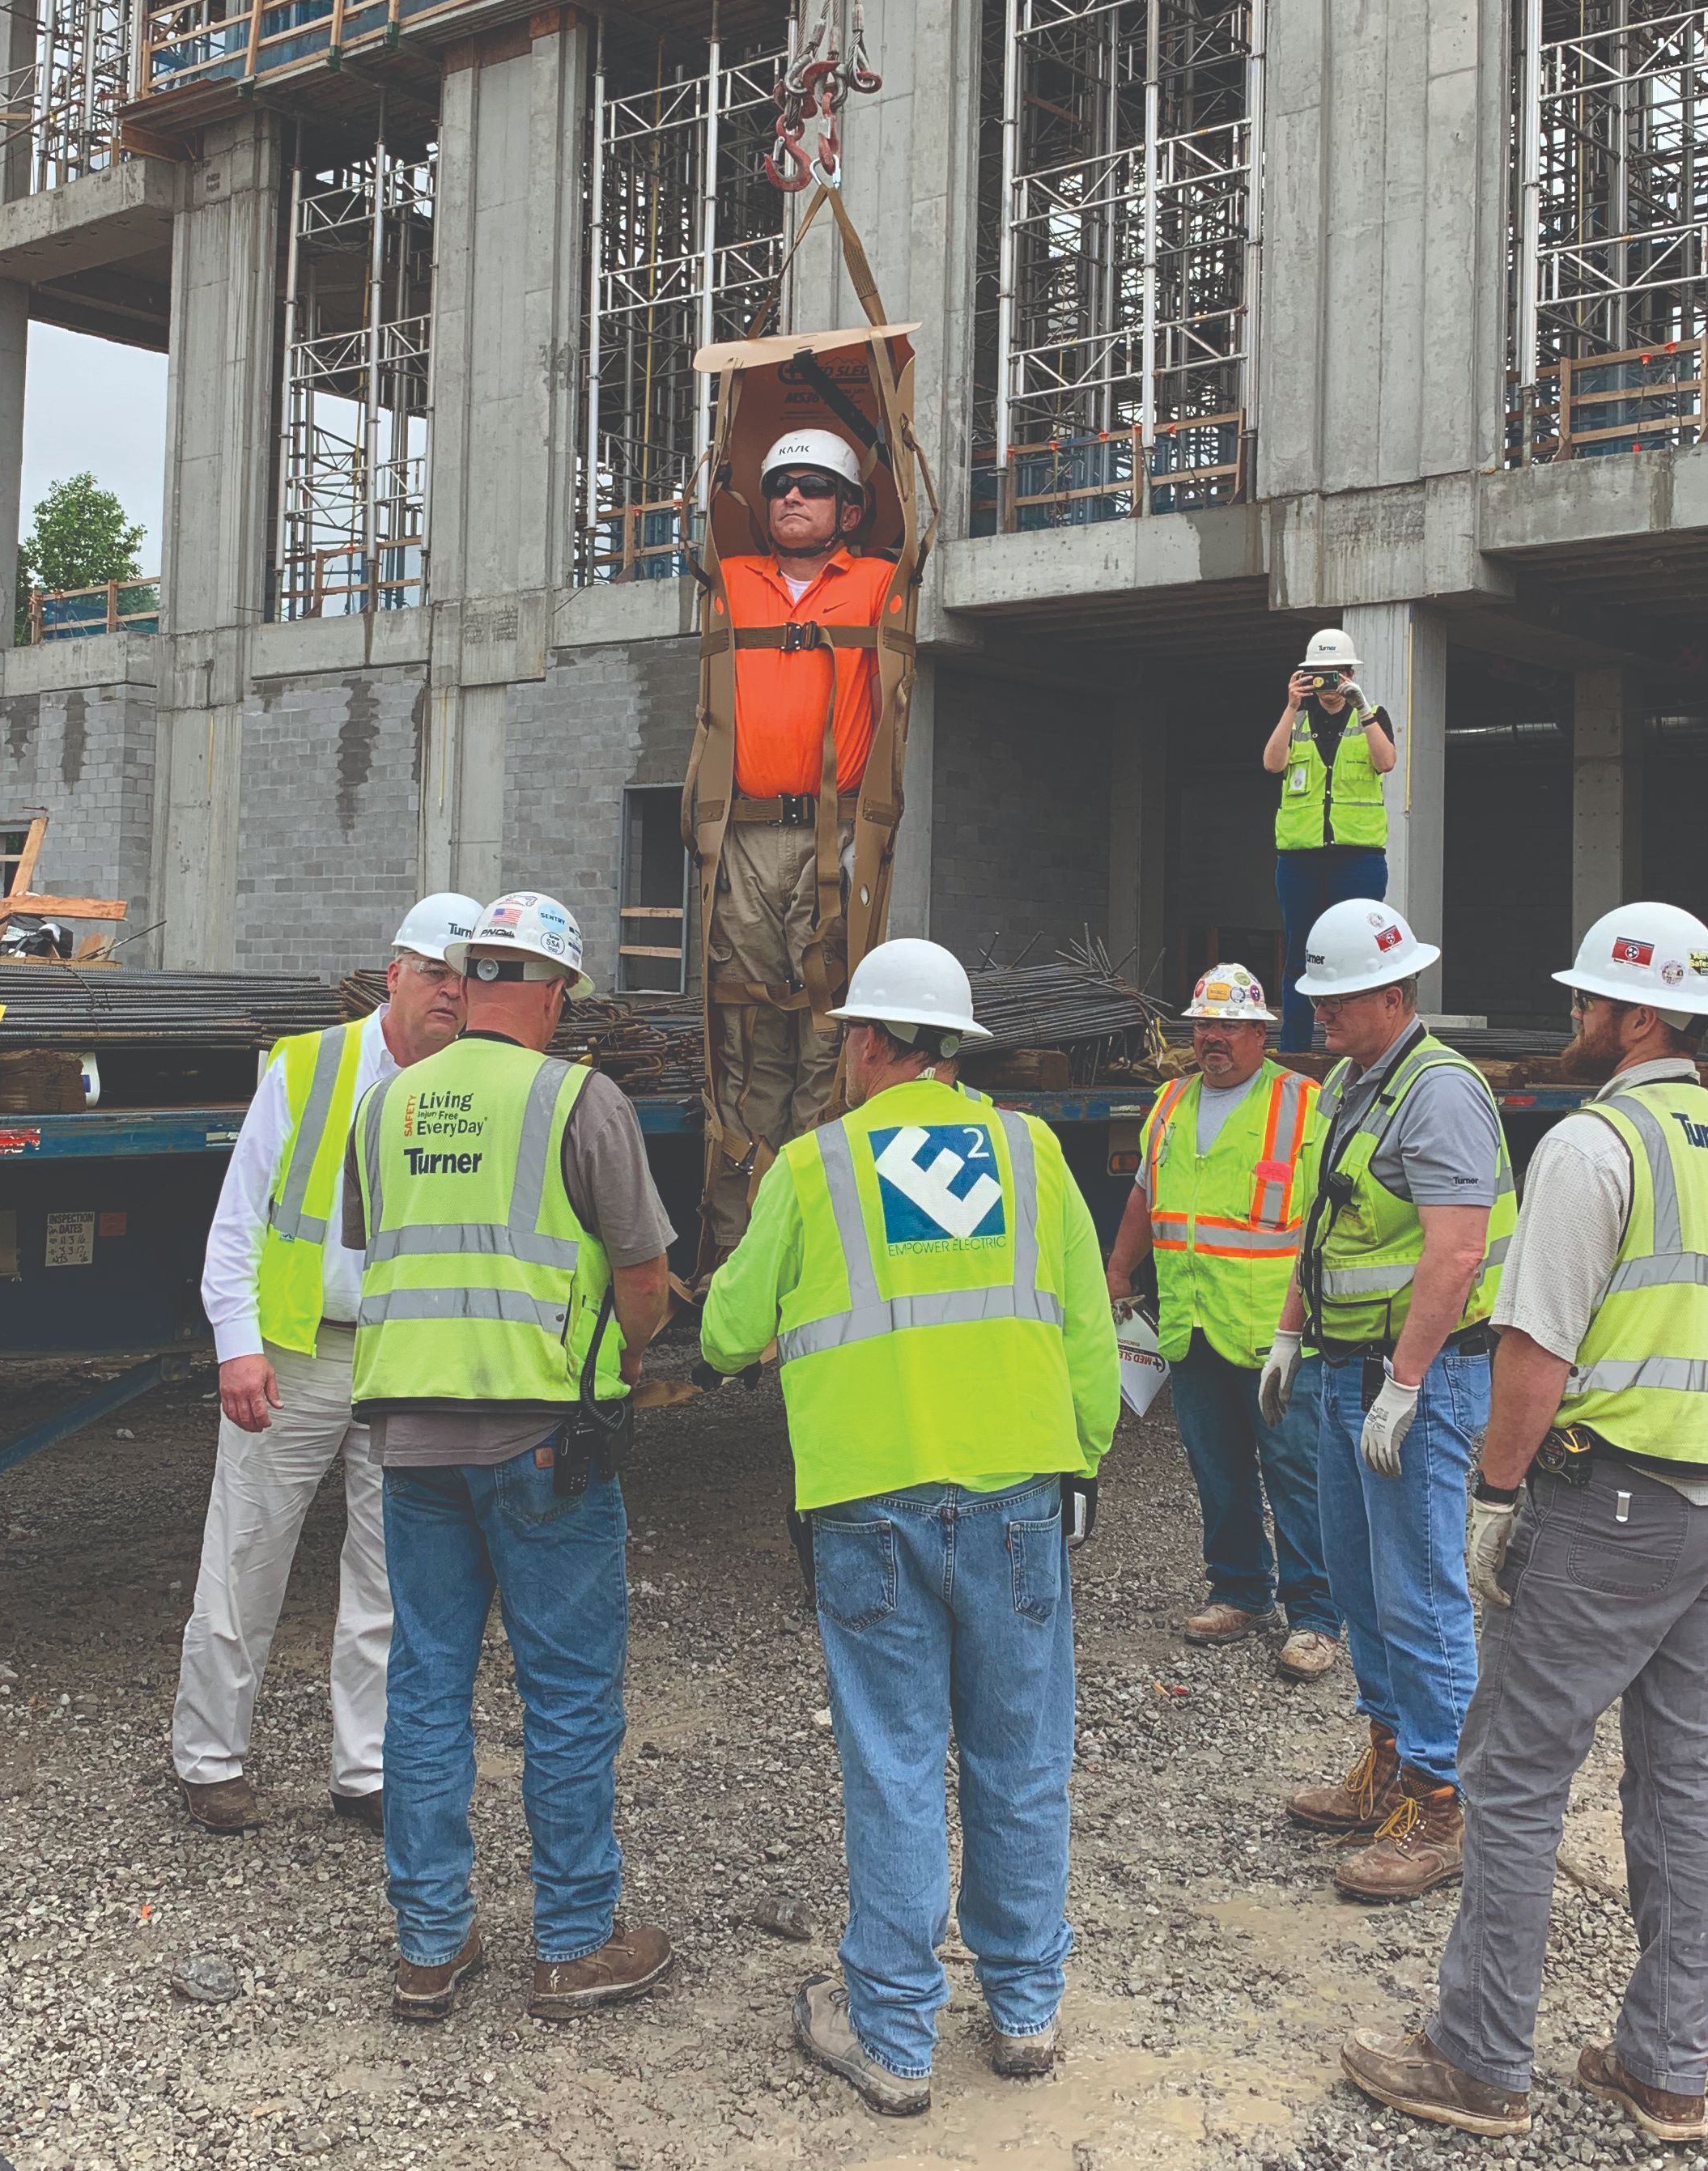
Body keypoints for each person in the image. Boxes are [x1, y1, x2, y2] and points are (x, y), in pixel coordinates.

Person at [1342, 904, 1708, 2144]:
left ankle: (1480, 2059)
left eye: (1590, 1003)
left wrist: (1496, 1502)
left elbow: (1534, 1356)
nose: (1576, 1019)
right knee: (1682, 1778)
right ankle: (1666, 2068)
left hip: (1612, 1509)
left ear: (1636, 1019)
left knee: (1512, 1775)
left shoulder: (1598, 1147)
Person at [699, 937, 1120, 2117]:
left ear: (878, 1042)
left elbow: (730, 1333)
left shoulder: (812, 1166)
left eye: (849, 1039)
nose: (843, 1056)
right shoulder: (1032, 1153)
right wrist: (1081, 1459)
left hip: (871, 1499)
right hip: (1018, 1496)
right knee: (1021, 1757)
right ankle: (1026, 2013)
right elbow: (1089, 1325)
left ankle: (893, 2039)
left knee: (894, 1766)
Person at [344, 890, 678, 2025]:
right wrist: (621, 1357)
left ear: (473, 975)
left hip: (410, 1437)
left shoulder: (384, 1106)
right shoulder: (581, 1100)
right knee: (569, 1691)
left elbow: (382, 1242)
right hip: (541, 1436)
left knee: (427, 1684)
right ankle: (576, 1940)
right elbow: (643, 1278)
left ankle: (429, 1946)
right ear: (549, 989)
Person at [173, 891, 481, 1833]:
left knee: (391, 1575)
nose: (451, 993)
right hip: (298, 1355)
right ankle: (208, 1759)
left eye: (468, 979)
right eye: (435, 972)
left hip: (403, 1358)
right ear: (393, 971)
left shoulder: (472, 1084)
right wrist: (238, 1344)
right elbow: (238, 1221)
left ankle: (368, 1770)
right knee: (245, 1559)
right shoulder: (310, 1066)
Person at [1258, 900, 1515, 1903]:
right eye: (1316, 992)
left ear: (1394, 994)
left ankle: (1444, 1801)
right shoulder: (1353, 1084)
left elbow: (1455, 1251)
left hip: (1419, 1371)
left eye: (1337, 995)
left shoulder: (1439, 1092)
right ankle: (1391, 1761)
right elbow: (1327, 1230)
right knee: (1360, 1581)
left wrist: (1406, 1384)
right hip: (1344, 1361)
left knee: (1418, 1588)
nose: (1318, 1011)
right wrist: (1290, 1331)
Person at [694, 427, 898, 1260]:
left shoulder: (880, 584)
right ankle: (745, 1251)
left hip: (832, 833)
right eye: (779, 484)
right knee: (747, 1035)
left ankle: (820, 1243)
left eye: (812, 486)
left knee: (829, 1030)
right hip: (742, 835)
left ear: (850, 508)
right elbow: (704, 504)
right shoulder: (731, 582)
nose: (791, 497)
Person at [1103, 963, 1340, 1678]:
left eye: (1230, 1025)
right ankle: (1240, 1589)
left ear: (1261, 1032)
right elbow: (1147, 1193)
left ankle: (1316, 1615)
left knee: (1295, 1471)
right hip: (1193, 1324)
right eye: (1203, 1024)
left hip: (1278, 1332)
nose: (1213, 1038)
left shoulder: (1305, 1104)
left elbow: (1329, 1218)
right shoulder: (1171, 1101)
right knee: (1219, 1469)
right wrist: (1117, 1272)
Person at [1263, 628, 1399, 1055]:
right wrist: (1290, 706)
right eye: (1318, 675)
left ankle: (1367, 1045)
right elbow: (1272, 763)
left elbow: (1387, 761)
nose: (1328, 684)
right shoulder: (1297, 719)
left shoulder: (1371, 713)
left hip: (1358, 858)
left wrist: (1362, 708)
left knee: (1362, 952)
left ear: (1349, 672)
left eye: (1335, 674)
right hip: (1301, 859)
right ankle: (1297, 1050)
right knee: (1301, 956)